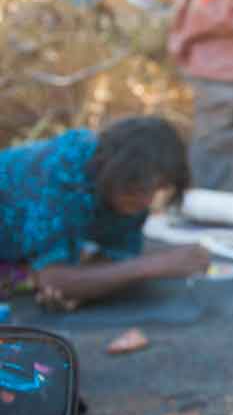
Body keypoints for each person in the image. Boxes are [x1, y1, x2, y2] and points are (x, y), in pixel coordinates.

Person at [0, 116, 211, 310]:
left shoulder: (126, 190)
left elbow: (114, 260)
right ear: (111, 171)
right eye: (137, 189)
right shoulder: (64, 174)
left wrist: (85, 286)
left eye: (157, 188)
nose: (146, 201)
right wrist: (154, 265)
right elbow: (54, 278)